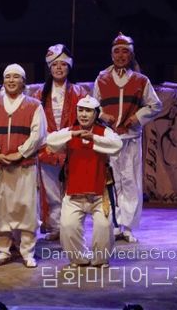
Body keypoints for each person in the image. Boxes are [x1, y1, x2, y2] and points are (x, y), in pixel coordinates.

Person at [93, 32, 162, 243]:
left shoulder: (141, 80)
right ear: (112, 55)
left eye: (125, 51)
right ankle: (114, 224)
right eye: (117, 51)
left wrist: (137, 117)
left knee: (130, 181)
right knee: (112, 181)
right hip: (110, 138)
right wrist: (102, 115)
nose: (121, 55)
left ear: (131, 55)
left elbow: (155, 105)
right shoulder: (102, 78)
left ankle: (128, 226)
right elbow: (93, 105)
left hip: (131, 138)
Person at [0, 64, 46, 268]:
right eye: (8, 77)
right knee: (0, 209)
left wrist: (21, 153)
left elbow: (38, 134)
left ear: (23, 81)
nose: (11, 80)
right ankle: (3, 250)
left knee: (26, 207)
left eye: (16, 77)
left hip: (24, 166)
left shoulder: (34, 106)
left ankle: (27, 251)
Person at [47, 95, 123, 267]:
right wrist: (72, 134)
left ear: (96, 113)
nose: (83, 114)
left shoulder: (104, 132)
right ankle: (78, 258)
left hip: (99, 193)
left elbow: (117, 145)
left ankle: (100, 259)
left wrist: (94, 138)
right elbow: (50, 141)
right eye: (80, 110)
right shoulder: (71, 131)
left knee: (104, 227)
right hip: (74, 192)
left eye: (88, 111)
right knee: (68, 227)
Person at [31, 44, 86, 241]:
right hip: (48, 149)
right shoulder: (39, 94)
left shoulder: (79, 92)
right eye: (55, 65)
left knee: (73, 192)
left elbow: (85, 119)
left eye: (63, 64)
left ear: (69, 67)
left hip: (72, 148)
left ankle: (72, 228)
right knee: (52, 192)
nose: (59, 68)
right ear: (49, 67)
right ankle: (55, 227)